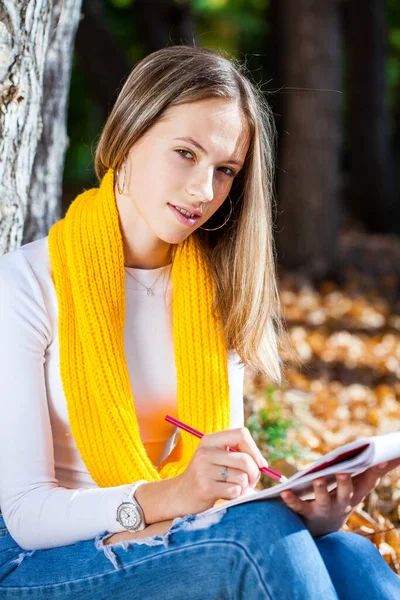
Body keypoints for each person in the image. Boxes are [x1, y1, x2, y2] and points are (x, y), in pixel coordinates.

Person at [0, 45, 399, 600]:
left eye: (225, 170)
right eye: (185, 153)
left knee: (347, 550)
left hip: (164, 538)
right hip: (34, 563)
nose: (203, 191)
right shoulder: (25, 283)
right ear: (128, 138)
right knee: (253, 538)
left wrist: (311, 512)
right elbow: (24, 514)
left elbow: (220, 499)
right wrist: (174, 495)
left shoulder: (213, 290)